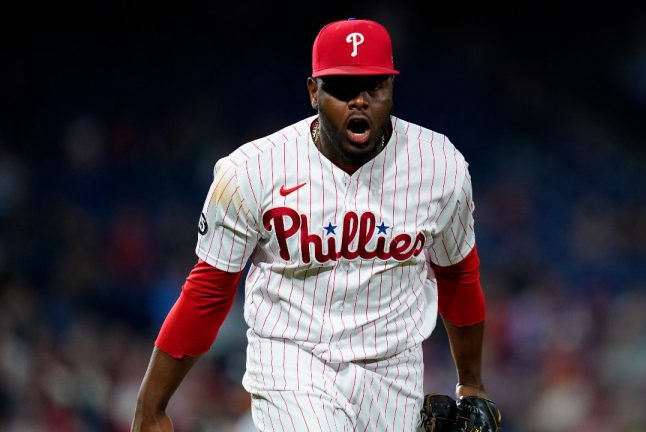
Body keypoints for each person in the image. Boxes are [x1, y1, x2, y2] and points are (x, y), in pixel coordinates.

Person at [131, 17, 497, 431]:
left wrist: (471, 385)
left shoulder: (439, 166)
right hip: (291, 358)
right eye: (341, 88)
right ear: (313, 92)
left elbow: (457, 276)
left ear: (392, 90)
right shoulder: (252, 172)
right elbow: (208, 292)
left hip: (394, 371)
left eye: (374, 86)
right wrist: (151, 407)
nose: (359, 101)